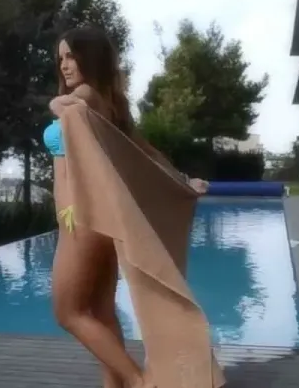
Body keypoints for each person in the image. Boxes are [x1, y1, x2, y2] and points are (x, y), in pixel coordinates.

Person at [44, 26, 209, 388]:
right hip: (100, 218)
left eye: (71, 56)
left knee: (68, 312)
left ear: (90, 57)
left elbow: (65, 108)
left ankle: (138, 381)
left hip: (79, 216)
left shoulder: (83, 95)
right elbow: (146, 151)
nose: (64, 65)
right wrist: (183, 179)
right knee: (101, 311)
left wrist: (56, 104)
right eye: (60, 59)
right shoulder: (110, 102)